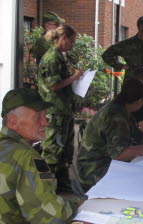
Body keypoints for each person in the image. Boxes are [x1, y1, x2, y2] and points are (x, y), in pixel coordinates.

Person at [0, 88, 83, 223]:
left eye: (45, 116)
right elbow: (52, 216)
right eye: (38, 116)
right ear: (13, 121)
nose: (45, 122)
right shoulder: (26, 157)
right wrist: (77, 203)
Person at [77, 78, 143, 192]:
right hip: (93, 171)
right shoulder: (116, 116)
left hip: (100, 164)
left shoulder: (121, 109)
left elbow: (137, 137)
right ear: (139, 101)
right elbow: (119, 155)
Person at [38, 24, 83, 193]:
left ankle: (62, 186)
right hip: (54, 112)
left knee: (64, 151)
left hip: (63, 111)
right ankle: (44, 188)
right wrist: (73, 77)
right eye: (71, 41)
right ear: (63, 37)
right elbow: (54, 86)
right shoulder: (51, 58)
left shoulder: (59, 56)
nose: (72, 45)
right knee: (51, 151)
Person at [102, 16, 143, 115]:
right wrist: (121, 66)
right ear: (141, 26)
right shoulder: (127, 44)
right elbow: (106, 55)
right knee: (129, 117)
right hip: (131, 88)